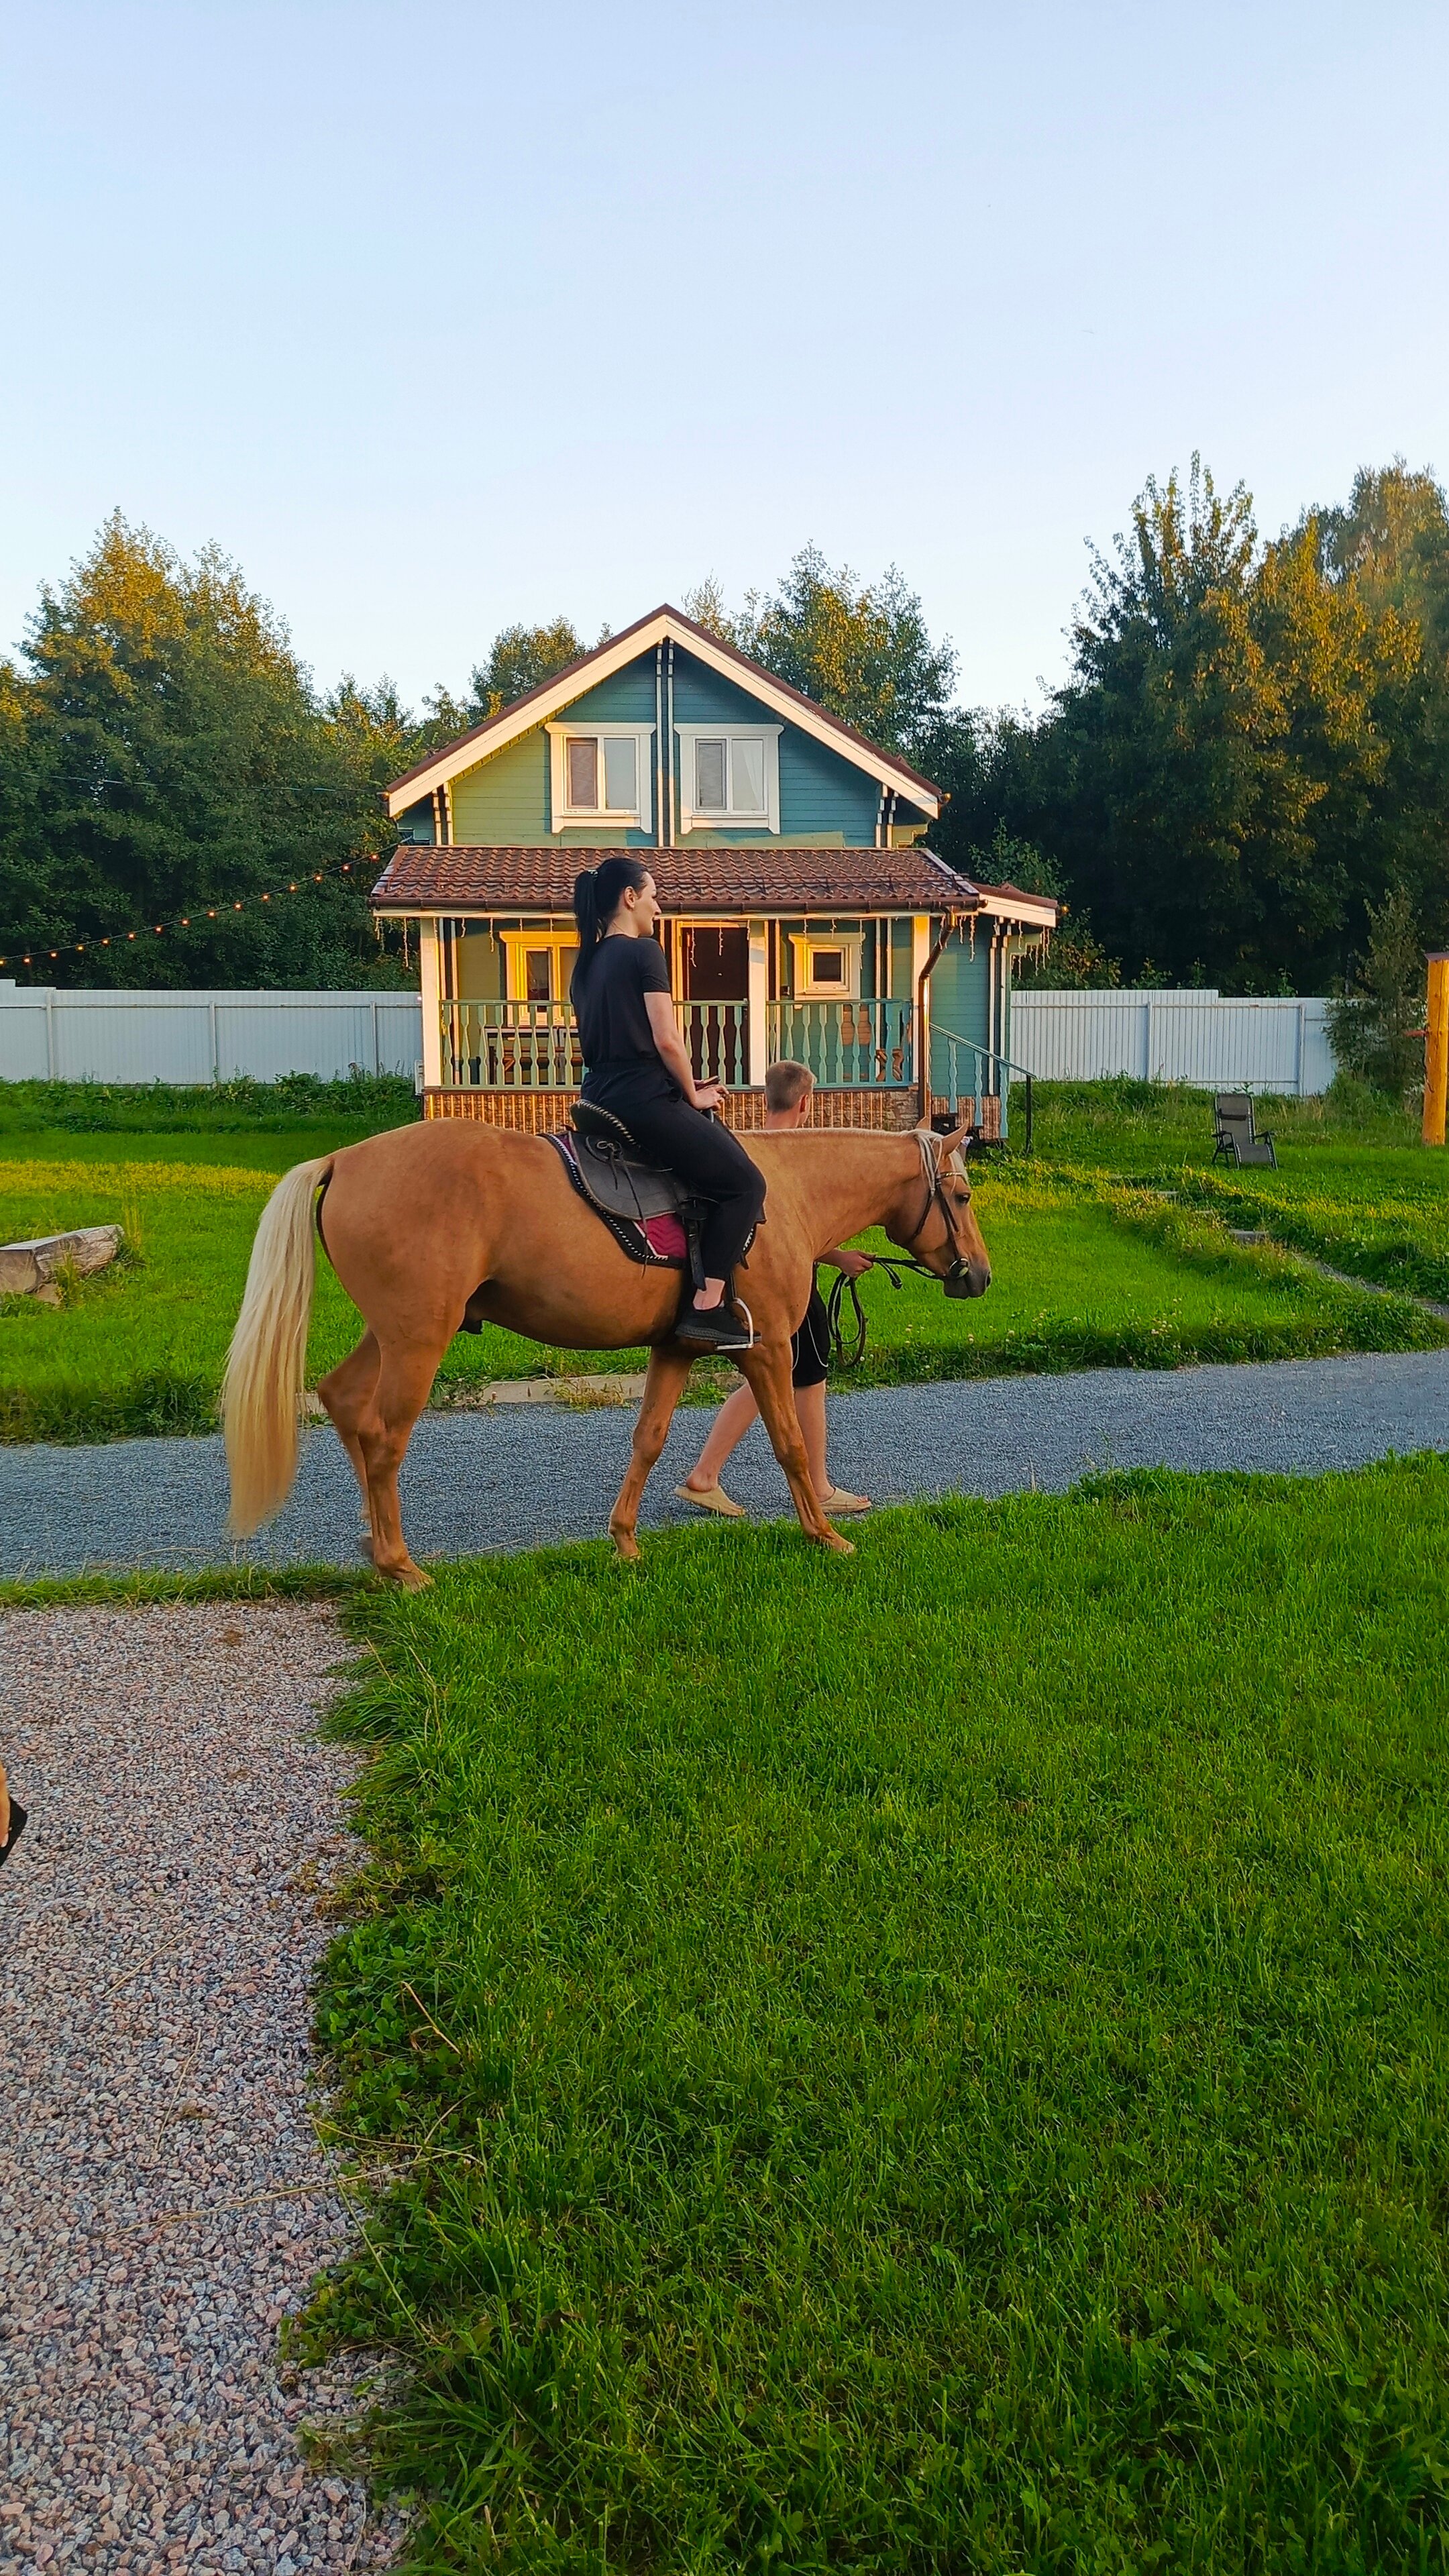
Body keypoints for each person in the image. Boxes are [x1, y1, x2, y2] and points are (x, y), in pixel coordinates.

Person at [570, 857, 765, 1352]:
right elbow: (667, 1039)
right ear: (630, 898)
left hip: (599, 1094)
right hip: (642, 1100)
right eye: (653, 893)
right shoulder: (644, 953)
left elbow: (620, 1045)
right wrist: (694, 1093)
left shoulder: (586, 964)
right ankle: (708, 1307)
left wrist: (679, 1082)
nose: (659, 904)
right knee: (746, 1184)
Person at [676, 1059, 872, 1519]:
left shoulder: (746, 1150)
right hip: (787, 1288)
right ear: (806, 1103)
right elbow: (792, 1238)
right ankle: (818, 1488)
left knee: (770, 1378)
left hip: (751, 1283)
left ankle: (704, 1476)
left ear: (766, 1099)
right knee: (809, 1380)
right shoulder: (794, 1155)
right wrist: (839, 1256)